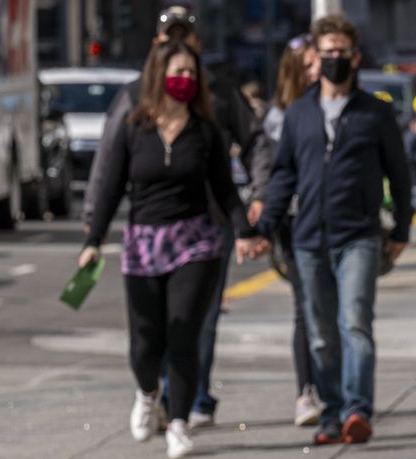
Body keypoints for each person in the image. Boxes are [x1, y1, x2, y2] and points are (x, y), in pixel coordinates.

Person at [84, 5, 275, 429]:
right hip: (149, 232)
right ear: (156, 46)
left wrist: (256, 202)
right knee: (151, 333)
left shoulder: (219, 94)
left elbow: (256, 145)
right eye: (170, 38)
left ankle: (188, 404)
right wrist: (93, 225)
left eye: (186, 37)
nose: (179, 48)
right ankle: (154, 392)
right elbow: (109, 163)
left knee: (193, 323)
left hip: (208, 230)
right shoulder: (134, 99)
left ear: (199, 44)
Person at [255, 14, 414, 446]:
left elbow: (399, 176)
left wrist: (401, 229)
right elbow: (283, 176)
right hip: (307, 239)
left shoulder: (375, 113)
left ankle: (356, 410)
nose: (333, 60)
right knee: (321, 334)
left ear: (354, 57)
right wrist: (264, 227)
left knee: (355, 324)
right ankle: (329, 412)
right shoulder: (298, 114)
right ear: (317, 57)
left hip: (359, 235)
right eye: (326, 54)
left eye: (340, 53)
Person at [255, 33, 324, 427]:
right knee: (306, 306)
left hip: (336, 220)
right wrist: (264, 220)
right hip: (296, 221)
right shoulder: (282, 117)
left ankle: (338, 389)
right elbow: (274, 174)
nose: (317, 72)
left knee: (337, 311)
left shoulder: (340, 107)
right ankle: (307, 391)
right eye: (309, 65)